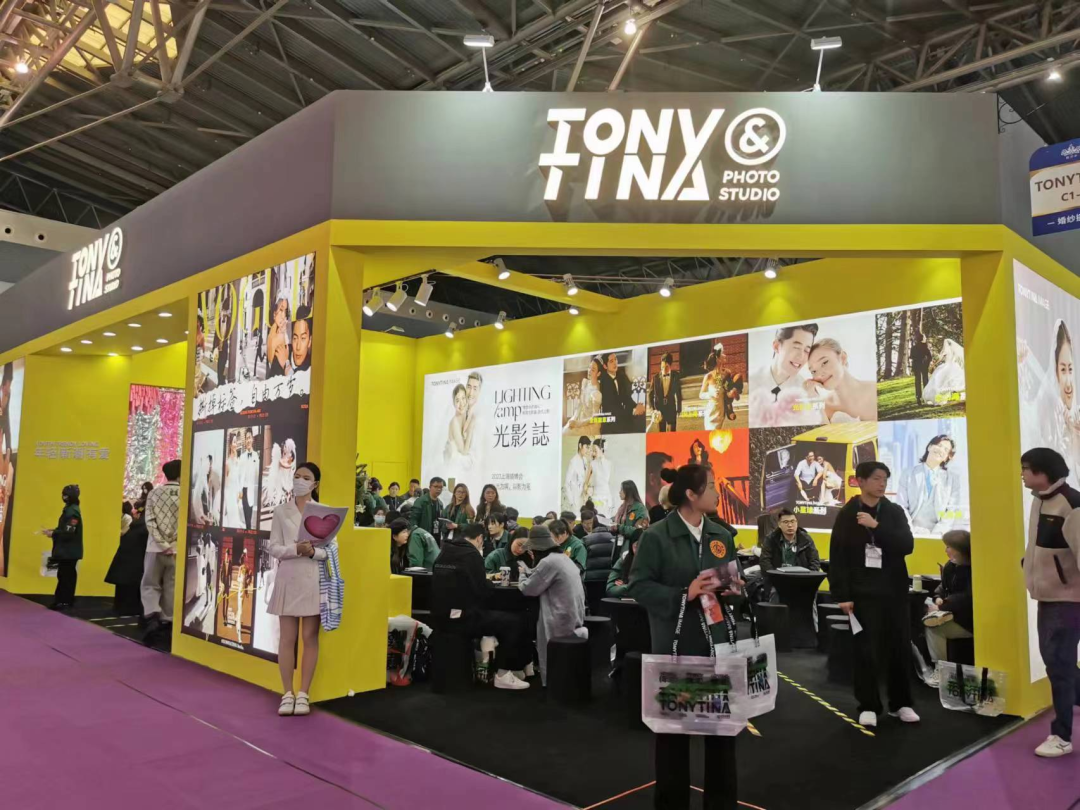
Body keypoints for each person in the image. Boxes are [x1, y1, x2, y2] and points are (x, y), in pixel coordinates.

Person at [629, 464, 741, 810]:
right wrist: (685, 593)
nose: (717, 493)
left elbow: (731, 584)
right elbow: (639, 586)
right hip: (675, 649)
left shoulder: (721, 535)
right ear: (691, 494)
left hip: (717, 648)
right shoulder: (656, 536)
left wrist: (733, 588)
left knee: (722, 738)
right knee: (673, 740)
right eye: (711, 486)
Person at [829, 460, 919, 728]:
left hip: (894, 591)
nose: (882, 484)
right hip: (862, 593)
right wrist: (842, 594)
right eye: (877, 479)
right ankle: (868, 705)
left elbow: (906, 545)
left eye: (885, 479)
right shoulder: (847, 514)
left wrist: (876, 526)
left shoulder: (893, 511)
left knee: (898, 647)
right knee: (865, 650)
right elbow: (838, 556)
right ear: (861, 481)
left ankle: (901, 703)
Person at [1021, 447, 1080, 757]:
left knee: (1059, 665)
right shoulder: (1040, 500)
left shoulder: (1071, 504)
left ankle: (1061, 736)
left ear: (1043, 472)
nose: (1022, 474)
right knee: (1058, 662)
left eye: (1026, 468)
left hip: (1067, 601)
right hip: (1049, 597)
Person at [433, 522, 532, 690]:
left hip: (440, 616)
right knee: (514, 622)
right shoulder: (472, 555)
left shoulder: (444, 552)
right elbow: (482, 591)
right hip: (465, 618)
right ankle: (503, 674)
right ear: (479, 538)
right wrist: (490, 584)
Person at [269, 462, 332, 716]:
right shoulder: (280, 511)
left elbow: (331, 551)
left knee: (309, 637)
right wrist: (295, 549)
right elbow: (274, 547)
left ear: (315, 484)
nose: (300, 481)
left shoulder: (324, 512)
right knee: (287, 638)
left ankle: (304, 693)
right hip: (287, 578)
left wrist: (313, 552)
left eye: (306, 477)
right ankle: (287, 693)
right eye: (297, 476)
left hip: (312, 578)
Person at [519, 524, 587, 686]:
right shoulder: (562, 558)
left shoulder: (549, 562)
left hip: (558, 619)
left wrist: (522, 575)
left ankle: (550, 684)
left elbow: (528, 589)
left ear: (536, 549)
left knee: (548, 653)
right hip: (574, 615)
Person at [749, 323, 820, 427]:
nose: (801, 356)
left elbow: (818, 415)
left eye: (807, 350)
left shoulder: (806, 390)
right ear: (777, 346)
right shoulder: (751, 382)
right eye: (796, 347)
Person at [923, 530, 973, 672]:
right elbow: (942, 587)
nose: (945, 550)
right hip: (952, 613)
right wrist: (938, 597)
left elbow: (967, 597)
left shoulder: (974, 569)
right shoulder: (950, 566)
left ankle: (941, 669)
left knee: (933, 628)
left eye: (948, 547)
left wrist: (943, 606)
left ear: (959, 549)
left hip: (967, 621)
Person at [142, 460, 182, 634]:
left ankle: (152, 615)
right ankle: (167, 620)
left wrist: (162, 543)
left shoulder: (154, 493)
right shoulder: (185, 494)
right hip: (176, 549)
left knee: (150, 584)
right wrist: (171, 544)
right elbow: (184, 521)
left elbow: (150, 522)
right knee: (171, 585)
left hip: (154, 548)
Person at [895, 435, 959, 534]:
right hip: (910, 531)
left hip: (939, 533)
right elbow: (901, 506)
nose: (941, 450)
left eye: (946, 450)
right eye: (939, 445)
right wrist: (910, 531)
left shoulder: (952, 479)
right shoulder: (907, 474)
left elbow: (952, 510)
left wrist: (936, 533)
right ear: (929, 447)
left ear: (946, 458)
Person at [804, 338, 877, 422]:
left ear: (842, 358)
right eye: (813, 371)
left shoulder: (876, 390)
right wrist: (813, 397)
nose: (819, 375)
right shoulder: (823, 407)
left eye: (824, 362)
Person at [43, 484, 83, 611]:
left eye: (65, 495)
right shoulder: (71, 509)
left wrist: (53, 533)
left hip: (68, 551)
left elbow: (69, 532)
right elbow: (66, 529)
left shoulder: (72, 511)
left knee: (65, 576)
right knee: (68, 575)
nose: (63, 497)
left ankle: (63, 601)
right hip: (69, 551)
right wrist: (53, 531)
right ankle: (66, 599)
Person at [106, 502, 149, 615]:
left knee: (123, 590)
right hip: (136, 566)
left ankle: (121, 608)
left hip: (124, 563)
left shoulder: (135, 526)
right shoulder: (146, 527)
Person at [760, 509, 821, 573]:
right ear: (779, 524)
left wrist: (808, 577)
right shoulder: (771, 539)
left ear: (797, 523)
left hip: (801, 576)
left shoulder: (806, 539)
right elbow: (765, 561)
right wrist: (774, 576)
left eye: (792, 521)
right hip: (778, 576)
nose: (790, 525)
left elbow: (815, 562)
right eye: (786, 522)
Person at [598, 351, 645, 434]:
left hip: (621, 417)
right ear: (605, 366)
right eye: (611, 361)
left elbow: (626, 398)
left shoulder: (621, 376)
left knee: (641, 418)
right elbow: (612, 406)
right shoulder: (603, 381)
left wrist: (636, 406)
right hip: (611, 421)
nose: (615, 363)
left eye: (615, 359)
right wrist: (632, 411)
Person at [564, 356, 604, 434]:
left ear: (598, 373)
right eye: (589, 368)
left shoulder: (596, 392)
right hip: (580, 419)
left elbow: (594, 418)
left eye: (593, 370)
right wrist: (573, 419)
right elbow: (580, 405)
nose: (589, 371)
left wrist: (578, 424)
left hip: (590, 424)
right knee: (565, 430)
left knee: (568, 433)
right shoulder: (585, 383)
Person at [922, 338, 966, 406]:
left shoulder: (945, 351)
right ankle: (954, 397)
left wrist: (934, 364)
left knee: (940, 381)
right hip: (954, 366)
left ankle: (943, 397)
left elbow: (940, 359)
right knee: (951, 383)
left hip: (947, 366)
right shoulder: (953, 351)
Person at [650, 352, 682, 432]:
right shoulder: (655, 378)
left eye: (666, 367)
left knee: (672, 433)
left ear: (670, 366)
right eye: (662, 367)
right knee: (661, 434)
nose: (664, 369)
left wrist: (679, 408)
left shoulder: (676, 376)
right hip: (659, 409)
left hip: (671, 408)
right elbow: (650, 395)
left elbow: (678, 393)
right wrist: (653, 410)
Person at [606, 528, 642, 598]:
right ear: (631, 546)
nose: (639, 551)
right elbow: (610, 589)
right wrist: (627, 587)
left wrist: (625, 587)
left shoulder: (655, 561)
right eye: (636, 546)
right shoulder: (624, 559)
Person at [564, 436, 592, 513]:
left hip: (583, 498)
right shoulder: (573, 461)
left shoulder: (585, 460)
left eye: (588, 448)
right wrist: (571, 502)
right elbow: (567, 483)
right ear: (580, 446)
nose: (587, 450)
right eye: (586, 447)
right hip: (575, 499)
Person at [267, 294, 291, 377]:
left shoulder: (278, 333)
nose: (283, 316)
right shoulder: (277, 337)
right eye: (281, 310)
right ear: (274, 313)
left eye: (285, 311)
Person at [240, 429, 260, 529]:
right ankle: (247, 533)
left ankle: (248, 533)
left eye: (249, 438)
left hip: (251, 490)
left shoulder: (256, 455)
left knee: (250, 518)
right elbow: (240, 475)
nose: (248, 440)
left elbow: (257, 473)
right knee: (246, 518)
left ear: (252, 439)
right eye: (246, 438)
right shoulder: (242, 457)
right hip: (243, 490)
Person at [911, 332, 933, 405]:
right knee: (925, 380)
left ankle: (918, 398)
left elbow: (912, 357)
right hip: (924, 365)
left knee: (917, 382)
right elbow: (930, 357)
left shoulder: (913, 347)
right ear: (922, 339)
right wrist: (927, 363)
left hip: (916, 366)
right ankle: (926, 396)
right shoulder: (925, 347)